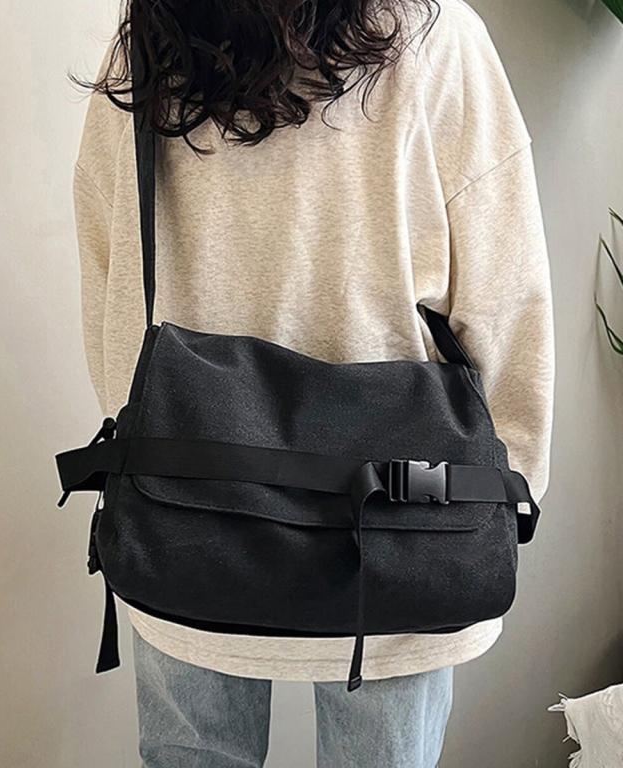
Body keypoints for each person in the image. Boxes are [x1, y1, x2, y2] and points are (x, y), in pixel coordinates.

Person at [72, 0, 554, 765]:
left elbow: (114, 279)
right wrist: (499, 492)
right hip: (401, 526)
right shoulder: (436, 35)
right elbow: (504, 297)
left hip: (188, 513)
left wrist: (148, 464)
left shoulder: (155, 41)